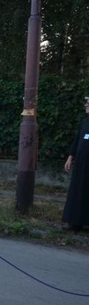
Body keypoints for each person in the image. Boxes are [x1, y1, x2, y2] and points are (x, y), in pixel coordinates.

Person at [61, 96, 89, 231]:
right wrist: (70, 157)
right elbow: (77, 140)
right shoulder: (84, 122)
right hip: (81, 164)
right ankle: (74, 222)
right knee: (77, 192)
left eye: (88, 104)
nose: (86, 106)